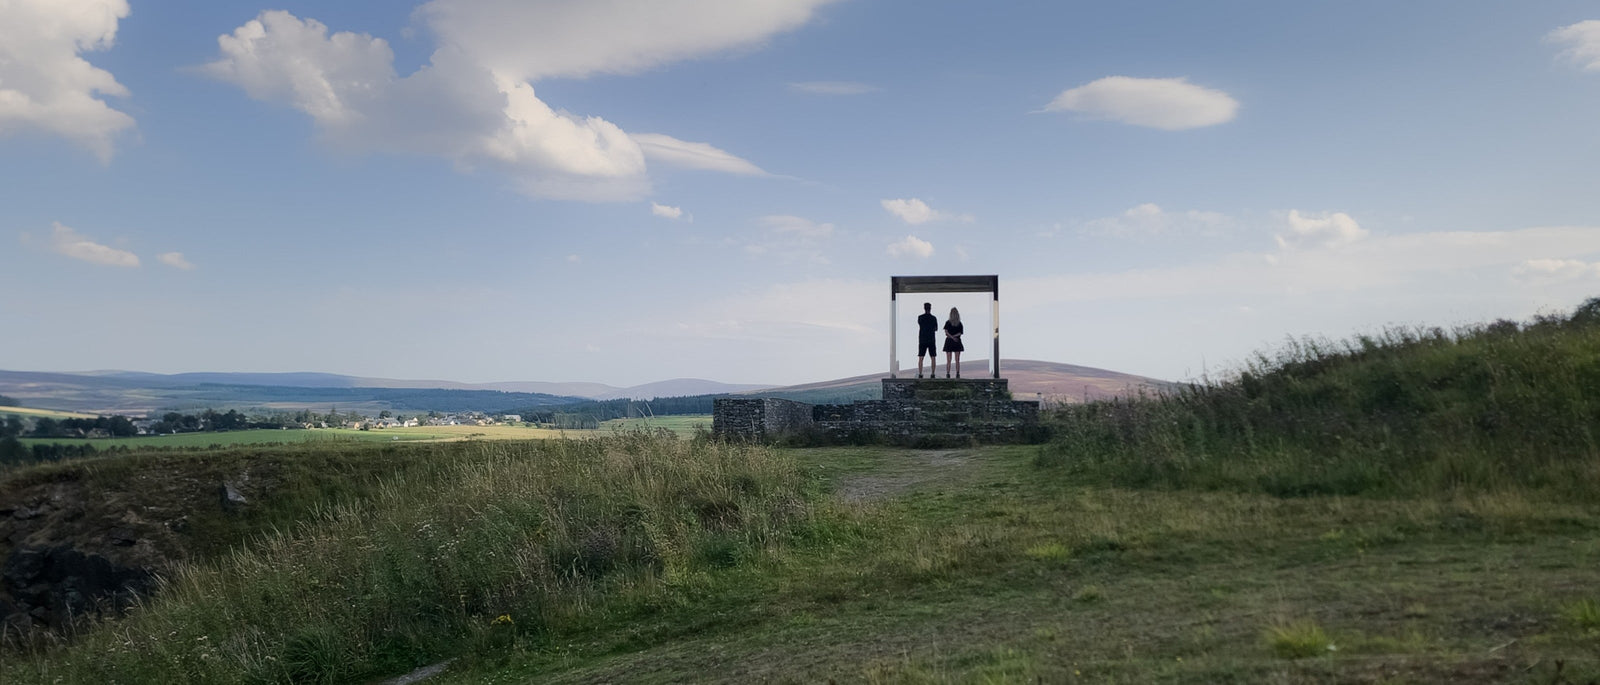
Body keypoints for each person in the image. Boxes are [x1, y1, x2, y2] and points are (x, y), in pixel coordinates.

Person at [916, 302, 939, 378]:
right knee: (933, 357)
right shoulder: (933, 318)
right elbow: (936, 329)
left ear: (924, 308)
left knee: (921, 357)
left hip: (922, 339)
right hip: (931, 339)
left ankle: (920, 373)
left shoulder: (920, 317)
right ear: (930, 308)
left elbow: (919, 324)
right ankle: (932, 373)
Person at [943, 307, 964, 378]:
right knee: (957, 359)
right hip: (957, 341)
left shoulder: (948, 322)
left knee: (948, 359)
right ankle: (957, 373)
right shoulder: (959, 323)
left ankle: (948, 373)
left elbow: (946, 332)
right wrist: (955, 337)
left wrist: (951, 337)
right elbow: (960, 333)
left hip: (949, 341)